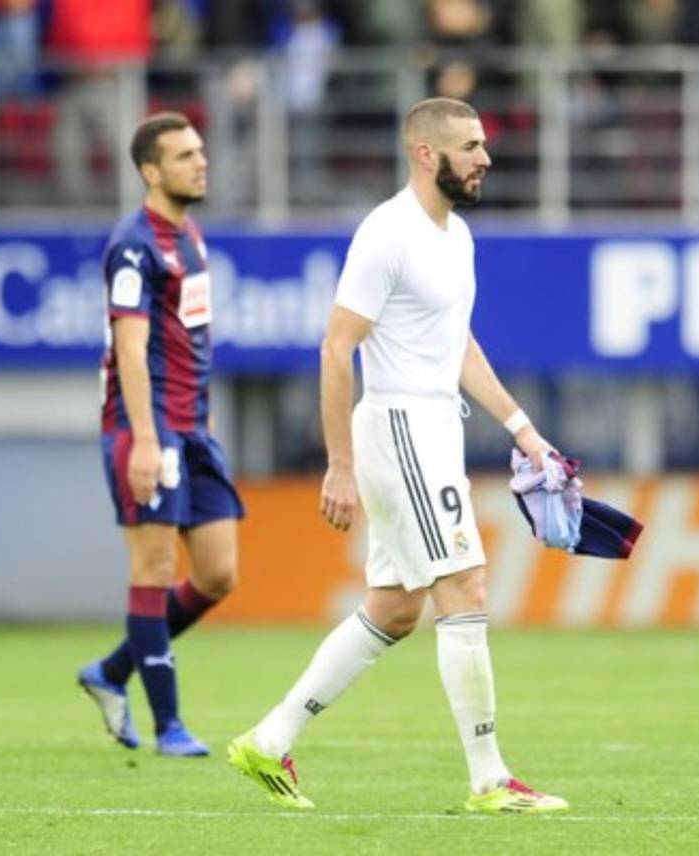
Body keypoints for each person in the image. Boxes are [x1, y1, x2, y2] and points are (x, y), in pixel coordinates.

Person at [226, 97, 569, 814]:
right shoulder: (387, 233)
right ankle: (489, 780)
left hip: (434, 425)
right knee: (465, 585)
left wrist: (523, 429)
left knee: (395, 608)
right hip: (401, 425)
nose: (485, 158)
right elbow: (336, 348)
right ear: (425, 153)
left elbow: (457, 345)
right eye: (470, 146)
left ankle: (269, 737)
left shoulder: (458, 236)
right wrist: (339, 464)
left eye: (483, 144)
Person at [78, 112, 243, 757]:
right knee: (154, 566)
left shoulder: (190, 236)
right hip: (146, 427)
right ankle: (168, 724)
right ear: (150, 171)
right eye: (184, 156)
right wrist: (146, 440)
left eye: (200, 151)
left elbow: (189, 335)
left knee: (218, 574)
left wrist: (199, 417)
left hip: (193, 427)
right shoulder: (133, 245)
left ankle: (111, 670)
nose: (201, 162)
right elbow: (130, 345)